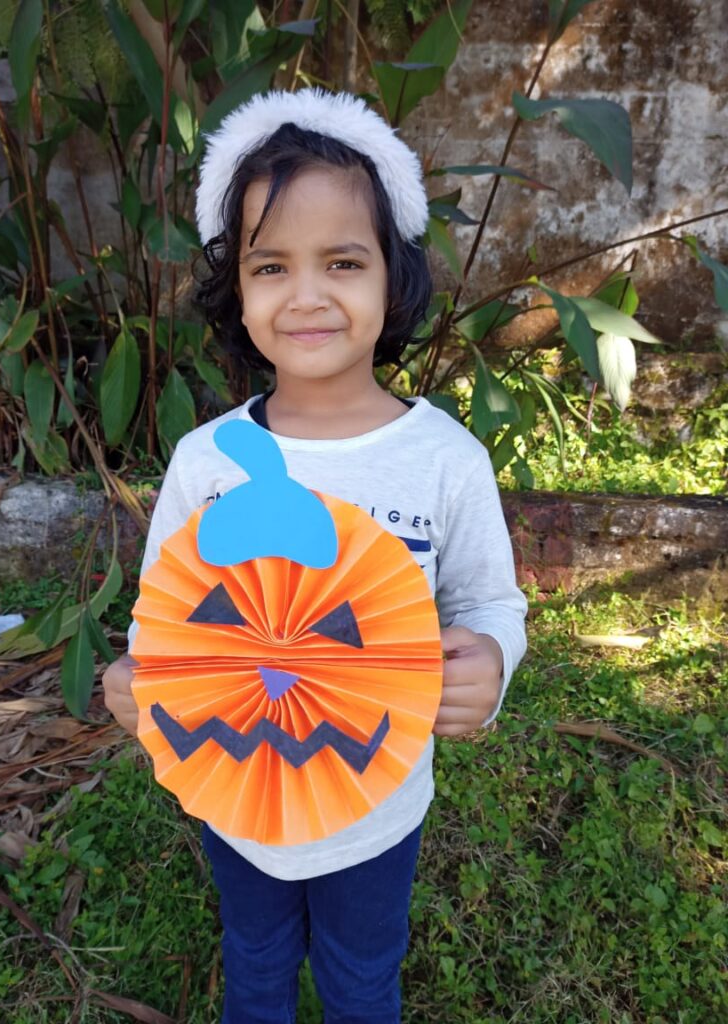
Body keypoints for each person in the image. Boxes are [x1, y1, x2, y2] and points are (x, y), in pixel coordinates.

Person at [102, 89, 528, 1024]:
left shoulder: (445, 460)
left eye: (342, 261)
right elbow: (165, 614)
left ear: (393, 277)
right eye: (271, 266)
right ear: (237, 289)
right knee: (253, 961)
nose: (306, 295)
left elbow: (490, 602)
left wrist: (492, 661)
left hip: (381, 809)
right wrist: (136, 677)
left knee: (362, 978)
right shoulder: (207, 463)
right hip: (236, 800)